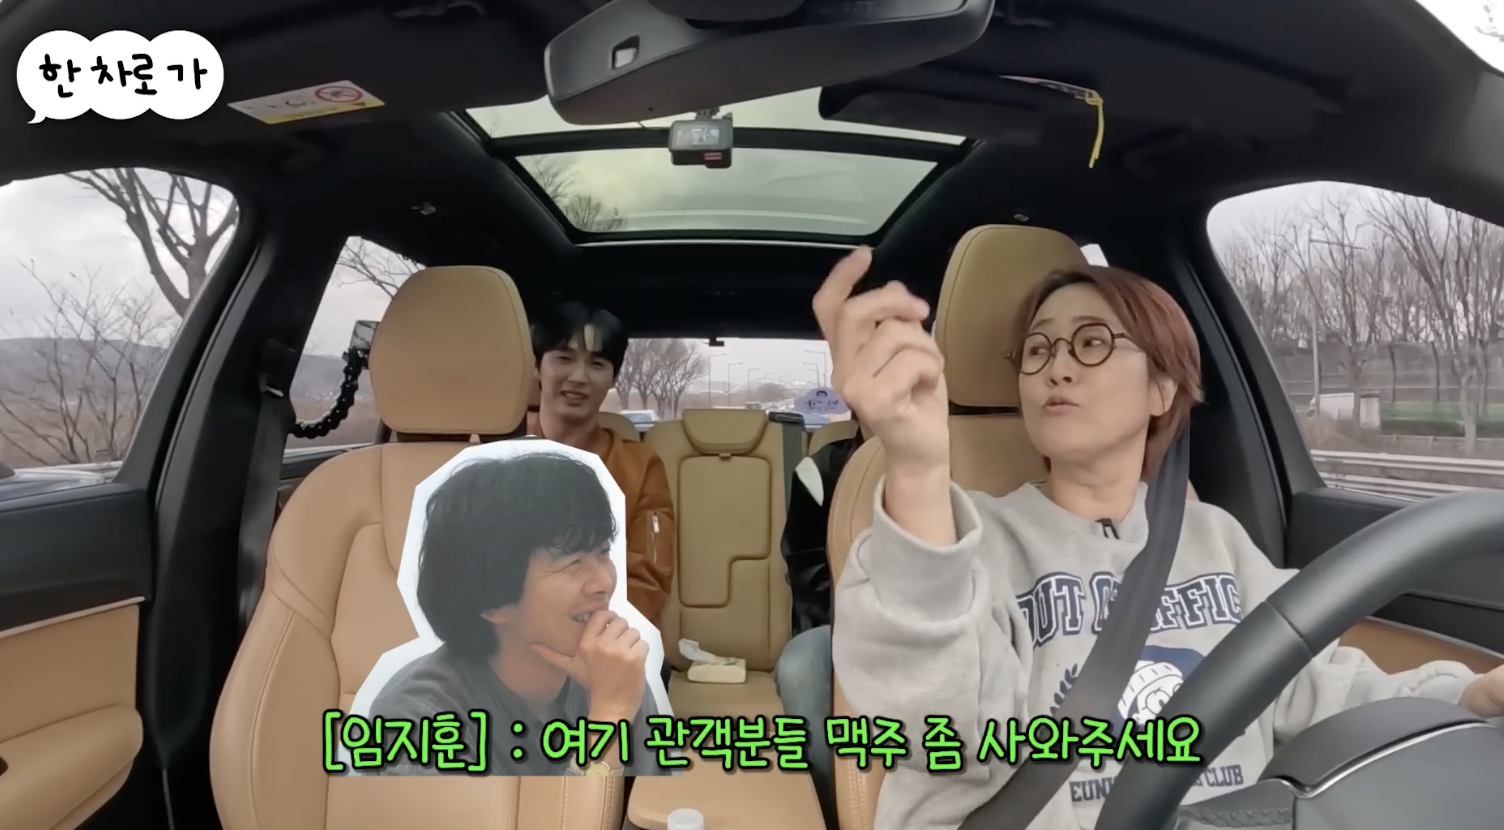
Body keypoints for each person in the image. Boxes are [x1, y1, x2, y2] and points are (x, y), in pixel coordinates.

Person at [805, 247, 1504, 830]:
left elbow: (1316, 686)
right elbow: (940, 730)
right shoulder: (968, 537)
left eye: (1091, 342)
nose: (1057, 367)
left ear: (1162, 388)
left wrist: (1468, 697)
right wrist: (918, 465)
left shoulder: (1215, 538)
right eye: (1038, 349)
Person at [369, 452, 668, 776]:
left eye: (603, 552)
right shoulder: (416, 720)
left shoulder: (614, 676)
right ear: (492, 599)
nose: (604, 583)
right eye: (571, 563)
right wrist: (608, 721)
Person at [527, 301, 676, 632]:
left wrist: (580, 637)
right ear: (537, 366)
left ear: (613, 378)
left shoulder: (640, 467)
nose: (579, 377)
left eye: (596, 364)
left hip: (607, 639)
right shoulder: (497, 461)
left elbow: (648, 581)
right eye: (564, 358)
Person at [775, 414, 867, 830]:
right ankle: (833, 814)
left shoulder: (959, 459)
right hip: (842, 625)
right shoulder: (820, 471)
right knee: (802, 665)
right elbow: (808, 576)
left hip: (941, 626)